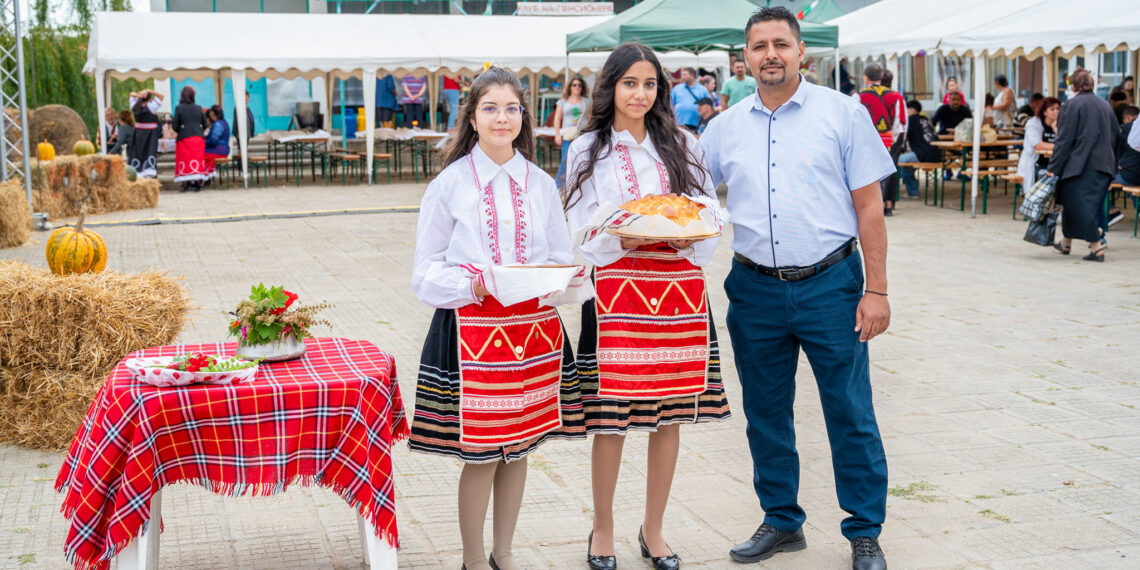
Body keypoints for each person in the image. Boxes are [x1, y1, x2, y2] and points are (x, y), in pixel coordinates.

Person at [700, 8, 892, 570]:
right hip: (754, 290)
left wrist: (875, 291)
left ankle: (864, 530)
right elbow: (694, 203)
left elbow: (869, 207)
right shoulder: (723, 128)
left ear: (802, 50)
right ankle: (782, 520)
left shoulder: (844, 114)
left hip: (832, 284)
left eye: (780, 43)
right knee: (765, 412)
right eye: (758, 46)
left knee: (850, 411)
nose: (770, 55)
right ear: (746, 57)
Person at [408, 66, 585, 570]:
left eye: (511, 108)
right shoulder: (449, 185)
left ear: (523, 116)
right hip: (473, 332)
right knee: (481, 454)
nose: (502, 118)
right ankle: (470, 559)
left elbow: (556, 254)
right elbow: (423, 273)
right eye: (490, 108)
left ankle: (504, 553)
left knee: (522, 447)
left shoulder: (541, 182)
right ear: (472, 116)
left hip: (533, 332)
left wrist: (565, 274)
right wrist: (474, 284)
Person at [564, 42, 730, 570]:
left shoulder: (681, 142)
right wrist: (621, 238)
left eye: (650, 83)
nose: (640, 94)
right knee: (609, 419)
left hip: (679, 293)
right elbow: (576, 226)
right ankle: (604, 528)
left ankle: (654, 529)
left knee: (670, 416)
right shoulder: (587, 148)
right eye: (630, 83)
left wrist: (689, 236)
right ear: (610, 86)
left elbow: (708, 208)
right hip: (616, 294)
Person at [1047, 68, 1119, 262]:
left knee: (1081, 206)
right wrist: (1114, 166)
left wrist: (1053, 167)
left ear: (1073, 85)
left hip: (1081, 165)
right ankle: (1065, 242)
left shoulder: (1071, 105)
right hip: (1104, 164)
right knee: (1073, 203)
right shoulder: (1105, 106)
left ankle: (1096, 248)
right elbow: (1116, 137)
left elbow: (1064, 140)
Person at [857, 63, 905, 216]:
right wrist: (896, 139)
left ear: (865, 78)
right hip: (890, 139)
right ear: (882, 77)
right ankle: (888, 205)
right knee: (889, 171)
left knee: (870, 173)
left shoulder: (859, 96)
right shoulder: (896, 96)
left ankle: (872, 205)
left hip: (868, 141)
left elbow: (855, 122)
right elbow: (900, 121)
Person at [553, 75, 591, 190]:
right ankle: (558, 188)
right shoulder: (563, 101)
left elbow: (591, 117)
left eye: (580, 85)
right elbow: (557, 118)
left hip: (583, 136)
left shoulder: (587, 101)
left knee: (584, 161)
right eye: (574, 85)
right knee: (565, 161)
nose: (577, 87)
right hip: (568, 136)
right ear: (570, 87)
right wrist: (557, 134)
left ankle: (580, 187)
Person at [897, 100, 940, 199]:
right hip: (936, 154)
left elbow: (902, 139)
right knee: (906, 165)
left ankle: (910, 191)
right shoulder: (925, 119)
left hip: (922, 154)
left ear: (911, 110)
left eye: (906, 109)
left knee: (896, 161)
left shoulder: (911, 120)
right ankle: (912, 191)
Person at [1016, 96, 1061, 190]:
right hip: (1036, 162)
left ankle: (1058, 202)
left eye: (1058, 108)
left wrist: (1055, 129)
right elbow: (1037, 145)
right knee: (1045, 174)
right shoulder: (1034, 123)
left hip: (1055, 162)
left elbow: (1065, 141)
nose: (1056, 111)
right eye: (1052, 109)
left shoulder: (1062, 123)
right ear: (1045, 112)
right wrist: (1059, 146)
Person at [171, 87, 208, 191]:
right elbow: (205, 124)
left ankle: (186, 184)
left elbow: (174, 126)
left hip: (184, 138)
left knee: (185, 160)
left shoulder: (179, 108)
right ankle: (198, 183)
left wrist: (182, 130)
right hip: (198, 138)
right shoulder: (198, 108)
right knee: (197, 160)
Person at [128, 89, 164, 178]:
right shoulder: (152, 106)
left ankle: (138, 172)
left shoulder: (134, 105)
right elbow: (161, 96)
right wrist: (150, 91)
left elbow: (131, 94)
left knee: (138, 152)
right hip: (150, 134)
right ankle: (148, 173)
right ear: (149, 98)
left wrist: (138, 95)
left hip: (138, 133)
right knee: (149, 152)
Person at [670, 67, 710, 132]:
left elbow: (708, 105)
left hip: (697, 124)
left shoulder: (702, 89)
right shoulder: (677, 88)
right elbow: (671, 104)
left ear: (692, 76)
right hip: (679, 124)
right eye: (682, 74)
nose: (682, 76)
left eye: (684, 75)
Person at [203, 105, 230, 184]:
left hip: (218, 150)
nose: (210, 116)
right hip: (223, 150)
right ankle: (206, 178)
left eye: (211, 114)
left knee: (198, 155)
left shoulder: (218, 124)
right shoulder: (224, 123)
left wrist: (203, 143)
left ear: (213, 114)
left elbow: (213, 141)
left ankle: (203, 178)